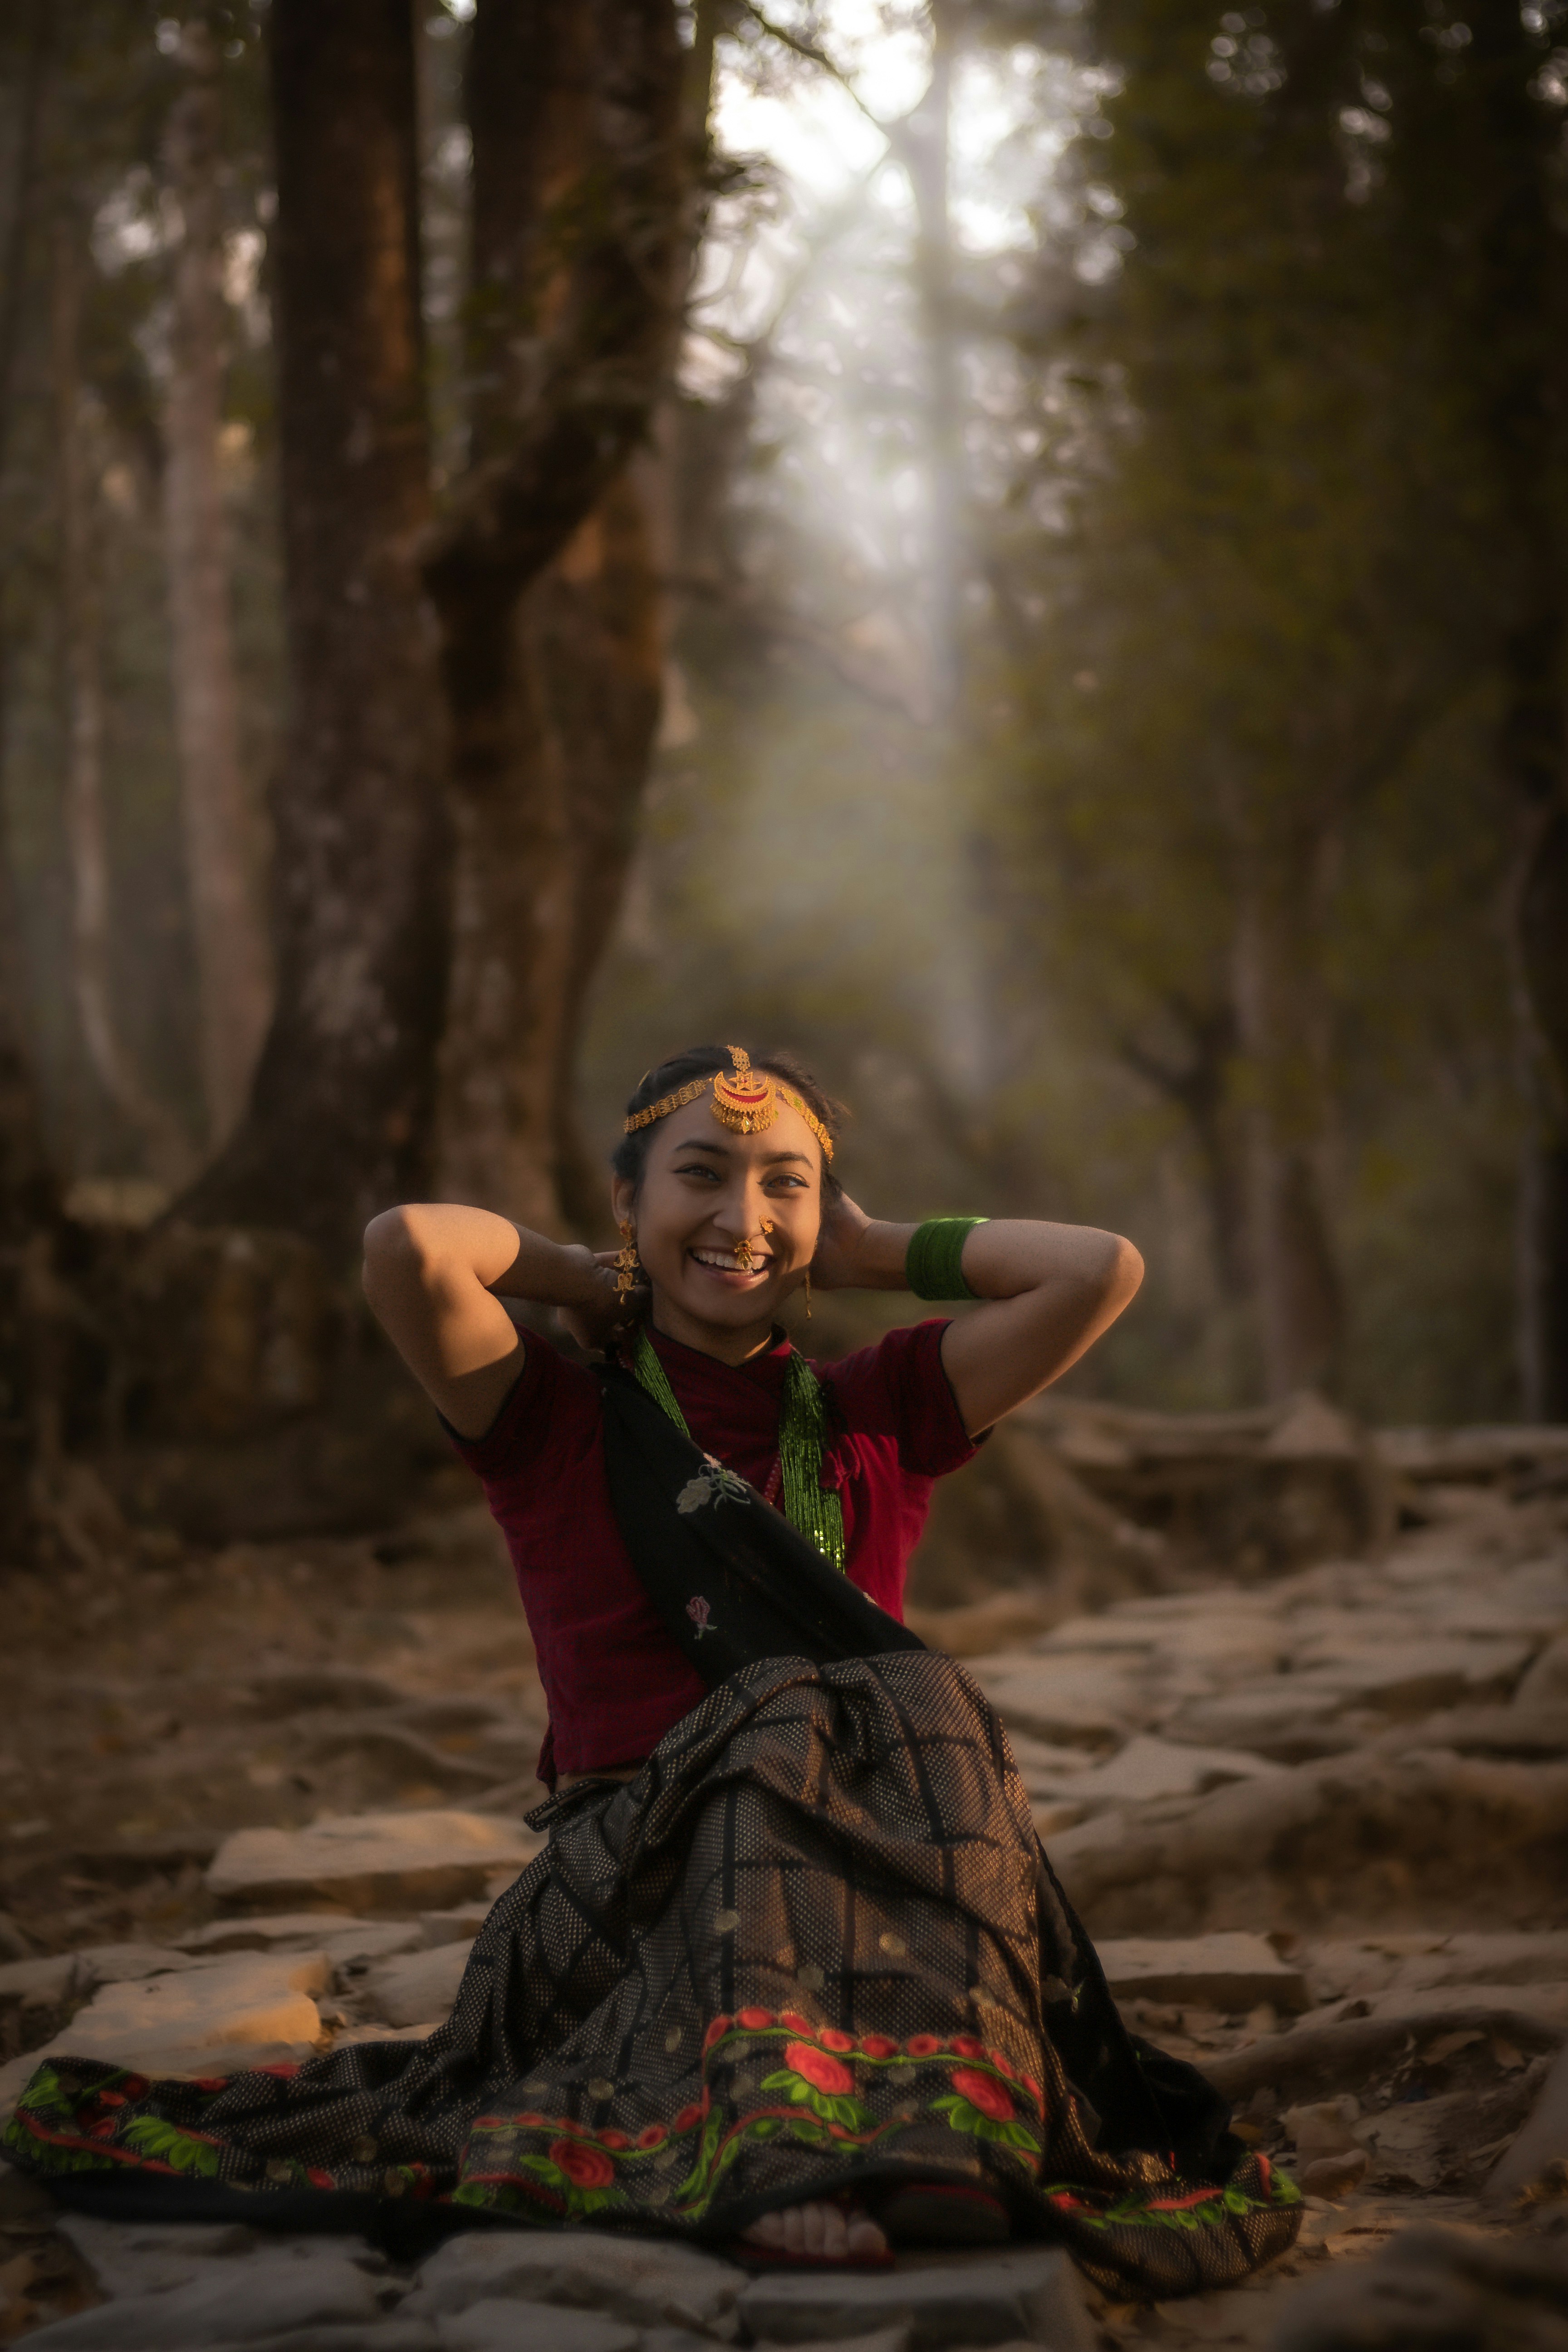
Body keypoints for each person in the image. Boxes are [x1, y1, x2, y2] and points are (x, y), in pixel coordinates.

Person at [2, 1045, 1300, 2297]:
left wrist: (871, 1250)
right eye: (700, 1174)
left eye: (784, 1182)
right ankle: (784, 2154)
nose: (743, 1215)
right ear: (630, 1197)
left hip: (876, 1881)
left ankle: (924, 2137)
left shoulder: (874, 1409)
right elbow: (408, 1245)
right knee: (781, 1724)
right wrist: (578, 1277)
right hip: (628, 1891)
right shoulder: (549, 1415)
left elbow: (1100, 1271)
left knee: (923, 1711)